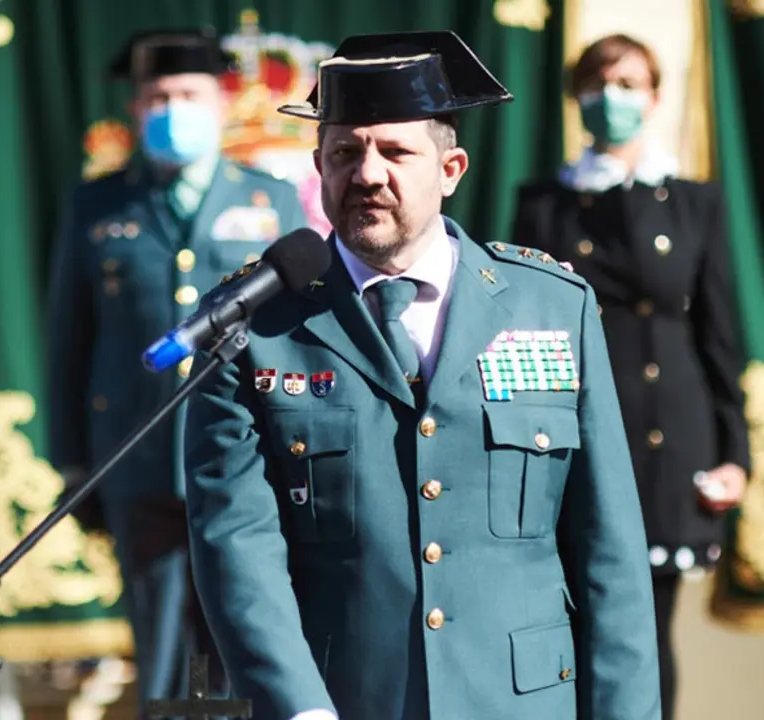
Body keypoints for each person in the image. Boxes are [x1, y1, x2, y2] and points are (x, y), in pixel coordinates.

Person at [184, 30, 661, 720]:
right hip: (343, 700)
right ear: (319, 167)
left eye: (397, 152)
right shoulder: (254, 327)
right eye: (346, 153)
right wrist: (299, 709)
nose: (369, 174)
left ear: (451, 169)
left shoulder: (550, 307)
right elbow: (236, 548)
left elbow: (608, 550)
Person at [44, 27, 308, 719]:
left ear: (219, 102)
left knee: (246, 632)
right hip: (141, 459)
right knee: (162, 650)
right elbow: (68, 339)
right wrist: (74, 464)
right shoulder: (97, 206)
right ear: (134, 109)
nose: (171, 108)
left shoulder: (268, 199)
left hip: (246, 461)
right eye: (156, 96)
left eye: (187, 94)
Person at [510, 34, 750, 720]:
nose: (611, 99)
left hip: (665, 437)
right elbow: (516, 322)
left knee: (644, 626)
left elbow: (720, 334)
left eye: (627, 84)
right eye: (597, 84)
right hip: (567, 430)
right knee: (569, 616)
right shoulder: (543, 202)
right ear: (576, 97)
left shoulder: (693, 202)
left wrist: (735, 453)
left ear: (653, 97)